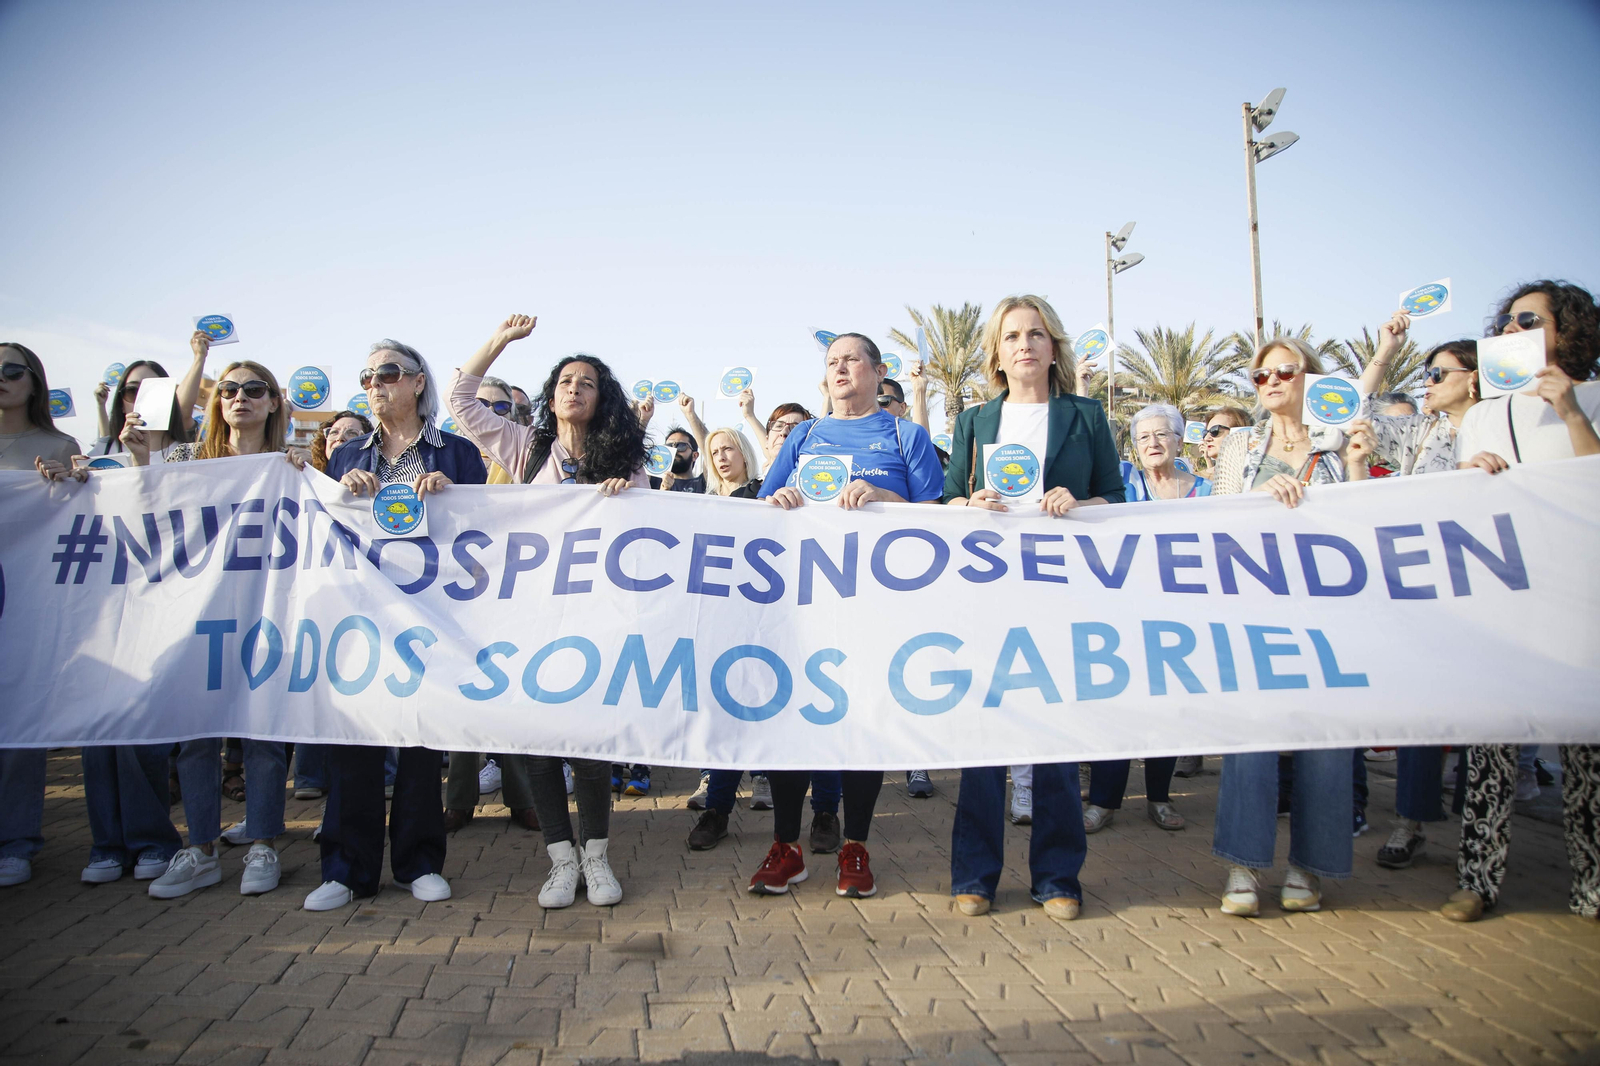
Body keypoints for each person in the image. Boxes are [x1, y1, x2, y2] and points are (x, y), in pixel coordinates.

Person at [449, 314, 647, 909]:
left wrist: (627, 499)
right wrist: (500, 342)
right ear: (551, 394)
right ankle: (561, 861)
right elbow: (460, 400)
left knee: (587, 743)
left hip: (595, 618)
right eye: (564, 380)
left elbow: (649, 535)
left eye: (586, 382)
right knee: (536, 740)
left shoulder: (626, 460)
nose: (573, 388)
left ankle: (597, 856)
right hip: (531, 615)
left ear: (601, 396)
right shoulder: (525, 445)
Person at [941, 295, 1125, 920]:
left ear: (1054, 348)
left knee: (1053, 732)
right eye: (1012, 335)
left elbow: (1116, 501)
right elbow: (945, 505)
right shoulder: (973, 424)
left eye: (1037, 334)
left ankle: (1057, 877)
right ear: (996, 352)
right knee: (984, 732)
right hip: (988, 593)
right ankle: (975, 874)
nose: (1025, 344)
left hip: (1059, 592)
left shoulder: (1085, 417)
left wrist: (1078, 502)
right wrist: (972, 504)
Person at [748, 331, 944, 899]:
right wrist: (778, 500)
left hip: (876, 608)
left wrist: (887, 501)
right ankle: (787, 846)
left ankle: (855, 846)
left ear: (877, 372)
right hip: (805, 603)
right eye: (831, 362)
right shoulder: (804, 434)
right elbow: (765, 507)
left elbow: (935, 520)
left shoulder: (906, 436)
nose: (839, 369)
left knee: (864, 723)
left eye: (851, 359)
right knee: (794, 720)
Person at [126, 352, 313, 899]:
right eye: (229, 390)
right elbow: (148, 514)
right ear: (216, 403)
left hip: (267, 614)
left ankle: (262, 843)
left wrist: (312, 474)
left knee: (263, 735)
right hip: (196, 615)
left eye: (255, 389)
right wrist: (139, 462)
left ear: (274, 401)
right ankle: (201, 846)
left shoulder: (291, 463)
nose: (241, 398)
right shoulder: (185, 457)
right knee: (196, 735)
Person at [1443, 279, 1600, 923]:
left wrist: (1571, 413)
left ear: (1568, 330)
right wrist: (1470, 477)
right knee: (1492, 745)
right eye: (1506, 321)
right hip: (1507, 601)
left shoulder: (1591, 398)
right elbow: (1458, 510)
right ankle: (1477, 878)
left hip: (1578, 597)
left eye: (1529, 318)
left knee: (1587, 748)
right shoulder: (1484, 414)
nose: (1512, 329)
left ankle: (1591, 881)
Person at [313, 339, 484, 911]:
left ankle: (419, 862)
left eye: (387, 373)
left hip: (431, 615)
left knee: (417, 737)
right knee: (355, 740)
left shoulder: (456, 454)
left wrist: (452, 498)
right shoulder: (346, 455)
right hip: (361, 615)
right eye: (366, 376)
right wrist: (345, 493)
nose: (375, 384)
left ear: (416, 383)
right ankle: (346, 868)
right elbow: (328, 525)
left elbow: (486, 535)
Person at [1207, 337, 1365, 916]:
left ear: (1312, 379)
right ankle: (1243, 866)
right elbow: (1214, 521)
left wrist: (1351, 468)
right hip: (1255, 611)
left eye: (1284, 372)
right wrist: (1258, 500)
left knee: (1324, 743)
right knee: (1251, 739)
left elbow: (1369, 524)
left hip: (1327, 613)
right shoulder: (1241, 445)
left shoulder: (1345, 441)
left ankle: (1309, 868)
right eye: (1259, 376)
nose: (1271, 382)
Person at [1080, 403, 1210, 837]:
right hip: (1124, 612)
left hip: (1183, 615)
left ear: (1179, 439)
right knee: (1118, 705)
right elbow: (1088, 449)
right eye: (1143, 438)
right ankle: (1103, 802)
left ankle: (1159, 797)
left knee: (1166, 709)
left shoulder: (1210, 491)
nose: (1152, 444)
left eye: (1162, 435)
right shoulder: (1125, 483)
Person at [0, 343, 83, 887]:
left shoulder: (58, 444)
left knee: (16, 719)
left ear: (34, 381)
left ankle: (16, 840)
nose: (0, 379)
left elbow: (85, 509)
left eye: (10, 370)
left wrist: (66, 483)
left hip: (23, 599)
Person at [307, 408, 372, 474]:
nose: (340, 438)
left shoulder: (375, 478)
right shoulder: (310, 473)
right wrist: (306, 468)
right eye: (334, 432)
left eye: (352, 433)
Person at [1196, 406, 1251, 478]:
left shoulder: (1258, 478)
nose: (1206, 438)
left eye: (1215, 431)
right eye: (1205, 433)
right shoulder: (1196, 481)